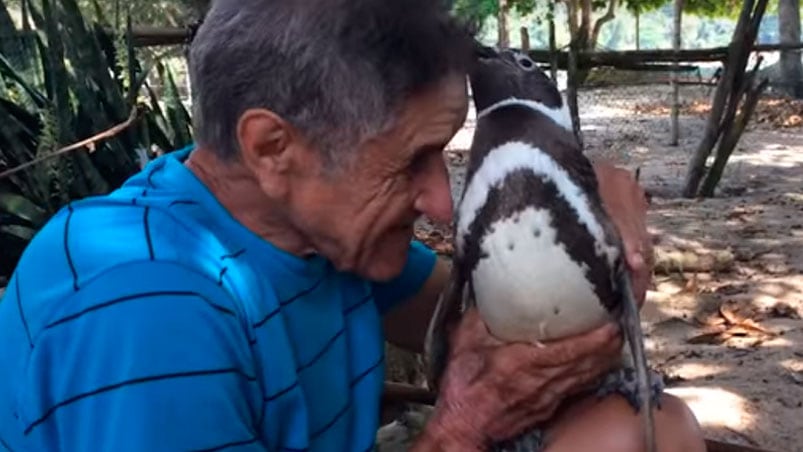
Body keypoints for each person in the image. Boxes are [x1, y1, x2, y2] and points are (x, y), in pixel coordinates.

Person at [0, 0, 706, 451]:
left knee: (644, 430)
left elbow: (494, 317)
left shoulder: (310, 231)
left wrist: (598, 205)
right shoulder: (147, 310)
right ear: (273, 148)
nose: (438, 202)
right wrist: (461, 430)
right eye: (412, 162)